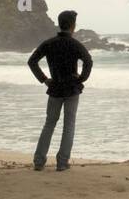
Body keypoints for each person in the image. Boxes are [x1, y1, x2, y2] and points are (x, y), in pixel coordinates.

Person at [27, 10, 93, 171]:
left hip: (55, 88)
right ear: (72, 26)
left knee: (49, 124)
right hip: (71, 89)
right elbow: (88, 62)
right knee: (68, 125)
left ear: (59, 23)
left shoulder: (49, 43)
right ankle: (62, 163)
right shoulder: (75, 44)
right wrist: (80, 79)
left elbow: (32, 61)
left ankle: (38, 161)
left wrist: (44, 79)